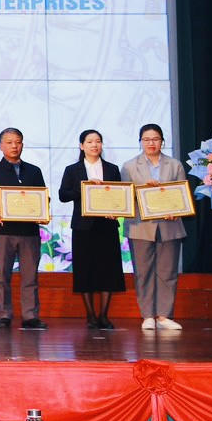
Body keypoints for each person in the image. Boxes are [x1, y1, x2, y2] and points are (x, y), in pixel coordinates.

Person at [0, 128, 49, 330]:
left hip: (29, 232)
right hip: (4, 231)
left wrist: (43, 210)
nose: (14, 146)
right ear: (0, 146)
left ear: (22, 145)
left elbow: (42, 198)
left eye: (17, 142)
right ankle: (4, 315)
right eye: (9, 142)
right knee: (2, 276)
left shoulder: (34, 171)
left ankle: (30, 316)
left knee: (30, 277)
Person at [121, 123, 188, 331]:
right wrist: (143, 190)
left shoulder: (174, 165)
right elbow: (125, 198)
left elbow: (182, 194)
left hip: (170, 224)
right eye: (147, 139)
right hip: (140, 226)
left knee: (168, 272)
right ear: (140, 142)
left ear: (162, 141)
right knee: (143, 272)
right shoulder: (129, 166)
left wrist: (176, 210)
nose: (151, 143)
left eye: (156, 139)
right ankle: (148, 315)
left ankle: (164, 316)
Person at [59, 129, 124, 330]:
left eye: (98, 141)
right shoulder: (72, 170)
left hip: (107, 226)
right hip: (83, 227)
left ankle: (104, 315)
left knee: (108, 269)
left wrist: (117, 210)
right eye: (89, 141)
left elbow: (120, 195)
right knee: (84, 269)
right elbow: (63, 195)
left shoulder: (112, 169)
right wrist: (84, 187)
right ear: (82, 146)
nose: (94, 145)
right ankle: (91, 316)